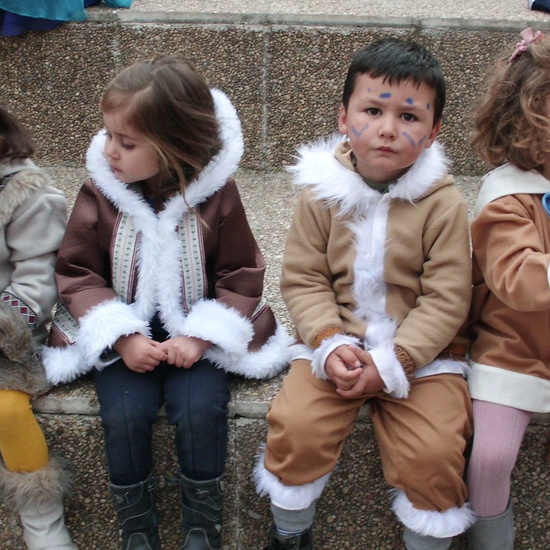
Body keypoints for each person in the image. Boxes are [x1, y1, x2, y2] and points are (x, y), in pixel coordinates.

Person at [43, 55, 291, 550]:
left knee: (200, 409)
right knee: (126, 414)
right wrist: (121, 333)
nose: (109, 150)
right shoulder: (101, 191)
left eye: (127, 142)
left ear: (174, 144)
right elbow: (78, 270)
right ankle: (138, 531)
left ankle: (202, 529)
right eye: (108, 134)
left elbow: (239, 272)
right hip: (125, 333)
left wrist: (202, 336)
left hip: (194, 336)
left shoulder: (217, 196)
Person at [254, 37, 475, 550]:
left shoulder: (443, 206)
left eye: (409, 117)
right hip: (336, 345)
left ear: (434, 131)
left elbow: (446, 296)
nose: (387, 128)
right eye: (372, 110)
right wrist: (329, 341)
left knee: (436, 451)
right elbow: (305, 278)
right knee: (296, 427)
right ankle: (290, 534)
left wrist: (396, 359)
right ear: (343, 117)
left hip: (422, 355)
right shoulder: (321, 194)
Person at [466, 27, 550, 550]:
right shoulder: (507, 196)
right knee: (491, 458)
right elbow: (516, 279)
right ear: (527, 126)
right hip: (512, 350)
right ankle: (492, 540)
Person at [0, 106, 76, 549]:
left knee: (8, 411)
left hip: (8, 338)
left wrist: (8, 319)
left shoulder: (23, 190)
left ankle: (43, 523)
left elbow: (40, 273)